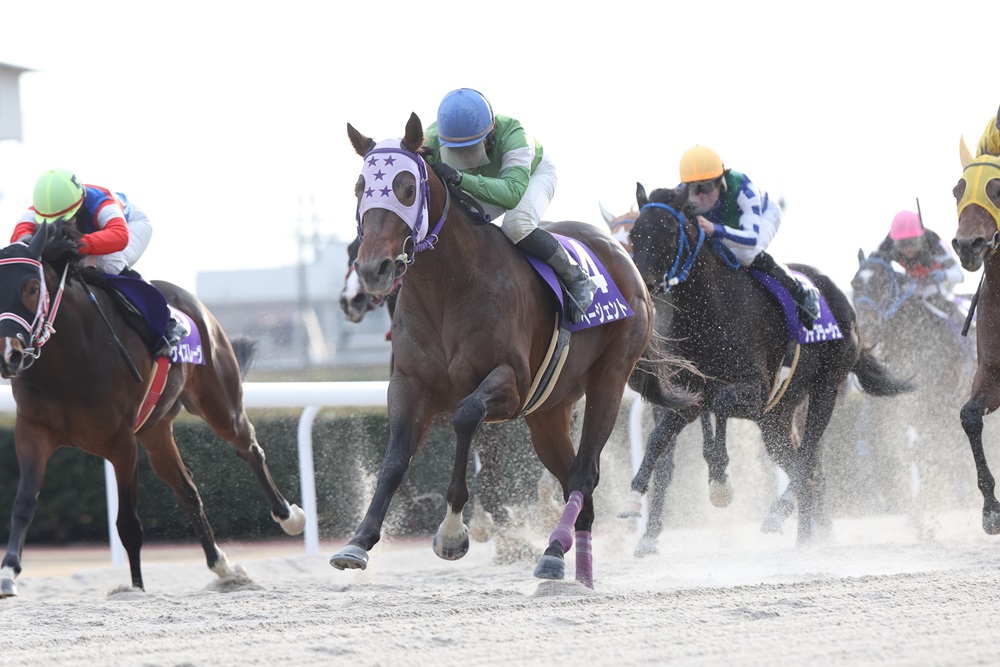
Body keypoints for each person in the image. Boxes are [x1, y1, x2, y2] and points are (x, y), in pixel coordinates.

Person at [424, 88, 596, 324]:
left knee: (516, 225)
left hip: (530, 176)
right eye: (456, 151)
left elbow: (512, 194)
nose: (463, 156)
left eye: (471, 148)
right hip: (483, 177)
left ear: (491, 130)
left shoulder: (517, 136)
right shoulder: (430, 140)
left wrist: (460, 178)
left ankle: (577, 277)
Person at [11, 168, 185, 357]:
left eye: (68, 217)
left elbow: (119, 236)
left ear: (80, 204)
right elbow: (20, 243)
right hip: (93, 235)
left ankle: (166, 320)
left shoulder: (100, 200)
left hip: (132, 226)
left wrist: (77, 245)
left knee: (109, 263)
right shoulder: (41, 207)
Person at [679, 145, 820, 329]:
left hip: (763, 216)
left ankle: (800, 291)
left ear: (721, 180)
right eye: (694, 188)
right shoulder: (681, 193)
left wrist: (714, 229)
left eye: (707, 186)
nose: (701, 195)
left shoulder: (743, 188)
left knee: (745, 254)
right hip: (726, 225)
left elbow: (750, 239)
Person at [875, 210, 965, 317]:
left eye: (912, 242)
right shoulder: (886, 244)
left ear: (921, 238)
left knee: (936, 302)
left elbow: (959, 275)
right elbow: (873, 266)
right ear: (894, 240)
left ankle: (959, 328)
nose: (908, 248)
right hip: (912, 284)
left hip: (940, 286)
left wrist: (944, 275)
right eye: (902, 244)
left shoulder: (934, 243)